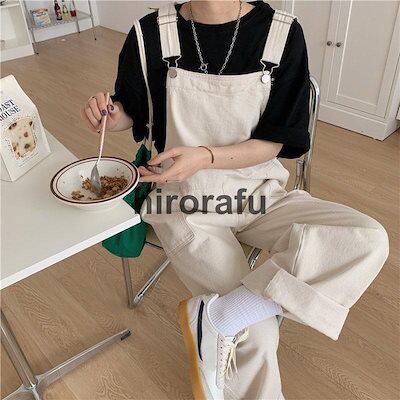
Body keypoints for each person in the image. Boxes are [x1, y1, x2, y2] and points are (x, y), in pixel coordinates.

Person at [81, 1, 389, 399]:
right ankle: (230, 318)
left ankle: (220, 315)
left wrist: (205, 156)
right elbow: (133, 111)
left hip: (259, 194)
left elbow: (273, 143)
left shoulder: (282, 33)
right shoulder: (149, 33)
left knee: (366, 238)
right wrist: (113, 113)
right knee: (254, 333)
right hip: (184, 202)